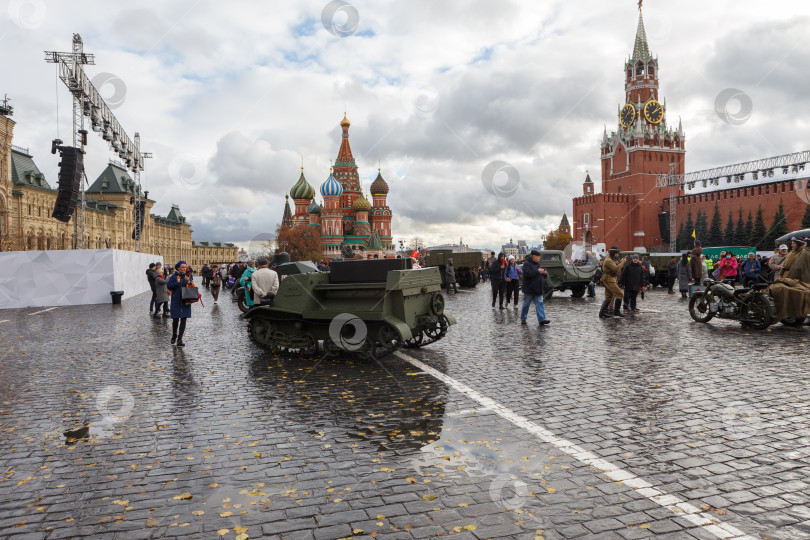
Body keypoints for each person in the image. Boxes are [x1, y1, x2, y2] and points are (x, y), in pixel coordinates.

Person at [167, 261, 194, 347]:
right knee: (175, 319)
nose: (184, 269)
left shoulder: (188, 276)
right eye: (182, 267)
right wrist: (177, 283)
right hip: (176, 300)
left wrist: (188, 282)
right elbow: (169, 286)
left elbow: (192, 286)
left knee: (184, 319)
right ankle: (174, 335)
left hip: (186, 300)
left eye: (185, 267)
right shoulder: (173, 276)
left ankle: (180, 339)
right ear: (178, 267)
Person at [520, 250, 550, 325]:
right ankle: (523, 318)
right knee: (526, 304)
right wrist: (538, 271)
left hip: (538, 288)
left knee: (540, 303)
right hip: (529, 288)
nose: (539, 258)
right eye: (538, 256)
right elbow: (527, 274)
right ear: (533, 256)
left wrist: (544, 273)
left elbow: (542, 275)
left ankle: (542, 319)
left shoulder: (538, 264)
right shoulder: (527, 264)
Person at [600, 247, 626, 318]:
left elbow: (615, 265)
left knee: (609, 297)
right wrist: (623, 262)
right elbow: (615, 269)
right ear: (613, 253)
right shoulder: (608, 260)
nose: (617, 255)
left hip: (610, 279)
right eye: (616, 254)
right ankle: (616, 312)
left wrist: (620, 262)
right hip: (609, 280)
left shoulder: (610, 259)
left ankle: (602, 313)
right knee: (620, 294)